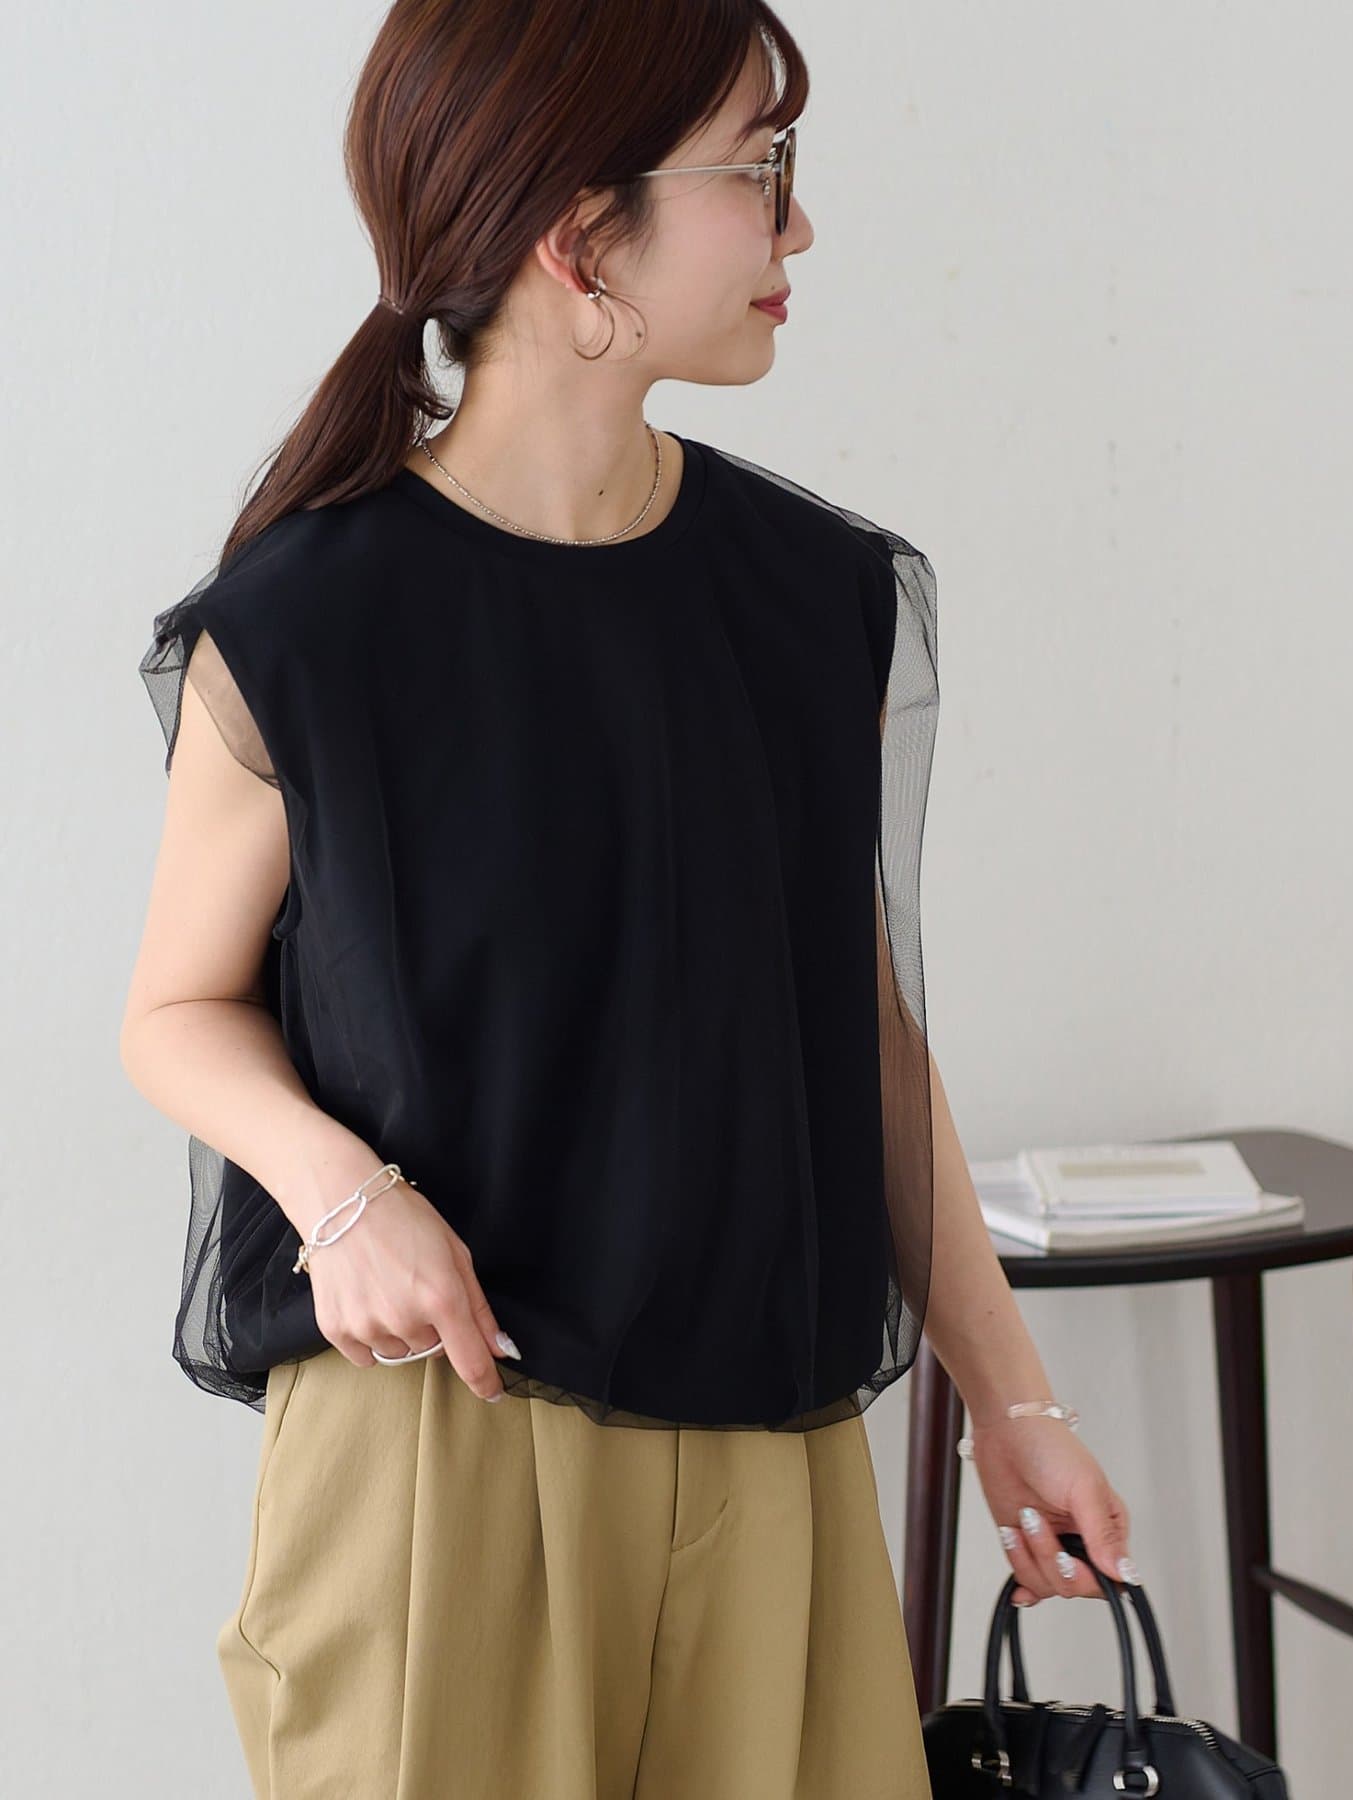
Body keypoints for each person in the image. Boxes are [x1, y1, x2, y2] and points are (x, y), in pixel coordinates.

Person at [119, 4, 1139, 1795]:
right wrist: (344, 1199)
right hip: (441, 1451)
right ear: (579, 236)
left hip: (767, 1452)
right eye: (759, 171)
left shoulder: (812, 599)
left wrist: (1013, 1400)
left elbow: (862, 1036)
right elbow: (175, 1012)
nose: (799, 225)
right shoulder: (307, 626)